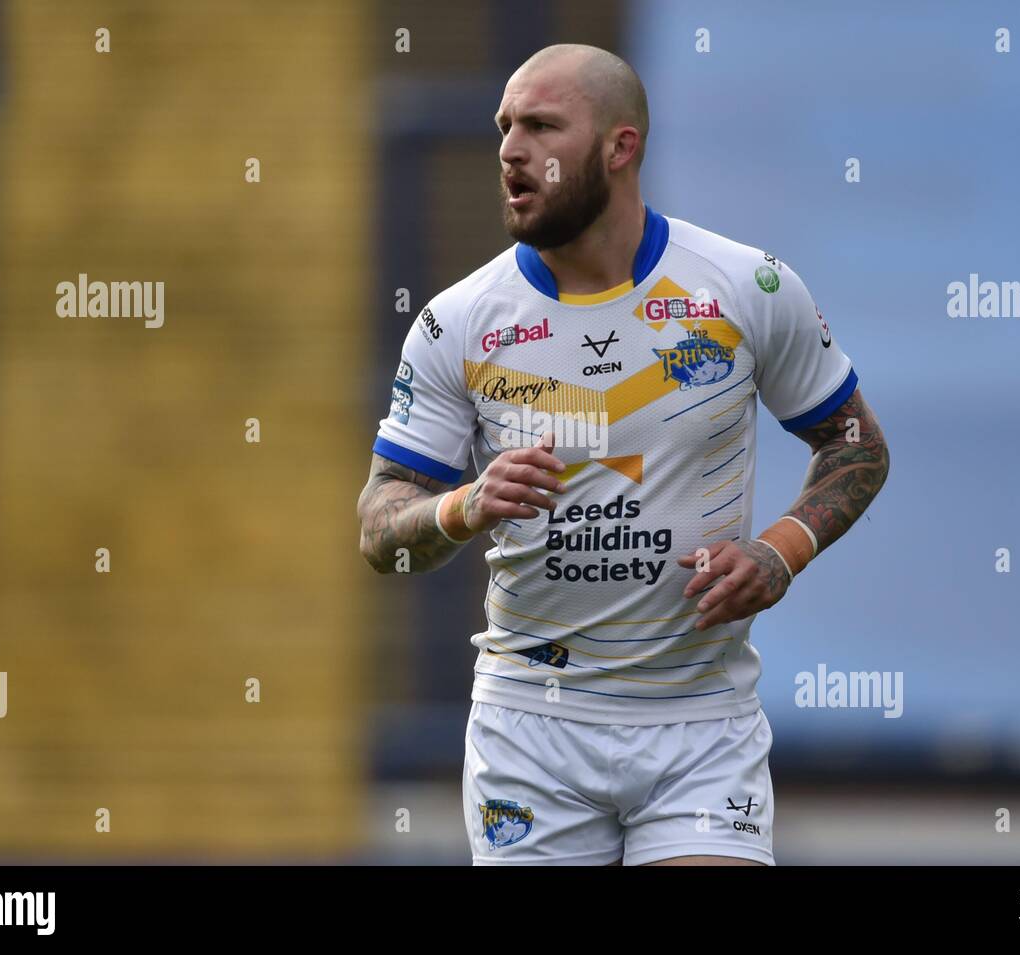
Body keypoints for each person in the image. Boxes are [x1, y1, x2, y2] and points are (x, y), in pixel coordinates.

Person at [357, 43, 890, 866]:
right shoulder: (456, 322)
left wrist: (779, 554)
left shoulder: (749, 288)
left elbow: (856, 447)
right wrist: (465, 504)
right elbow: (380, 528)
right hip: (532, 726)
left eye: (541, 125)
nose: (510, 148)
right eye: (505, 127)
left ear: (620, 146)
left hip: (700, 720)